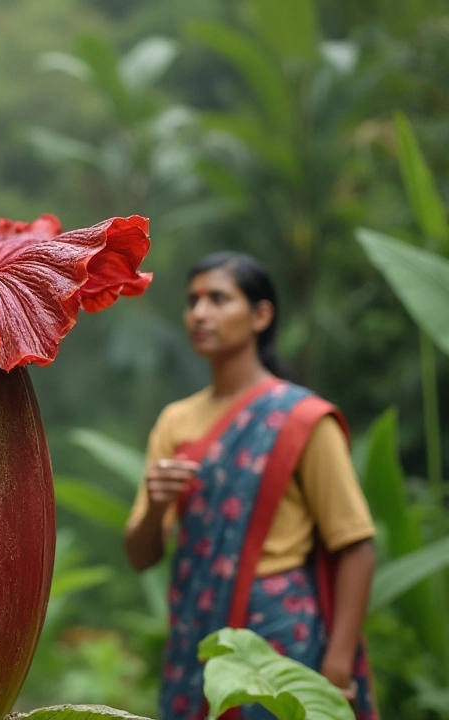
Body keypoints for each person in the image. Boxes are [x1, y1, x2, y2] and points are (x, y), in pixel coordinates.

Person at [123, 252, 378, 720]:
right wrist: (159, 506)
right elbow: (141, 556)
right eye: (193, 301)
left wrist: (337, 668)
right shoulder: (175, 421)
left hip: (278, 637)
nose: (199, 313)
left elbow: (356, 545)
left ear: (261, 315)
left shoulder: (300, 419)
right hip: (196, 634)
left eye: (218, 299)